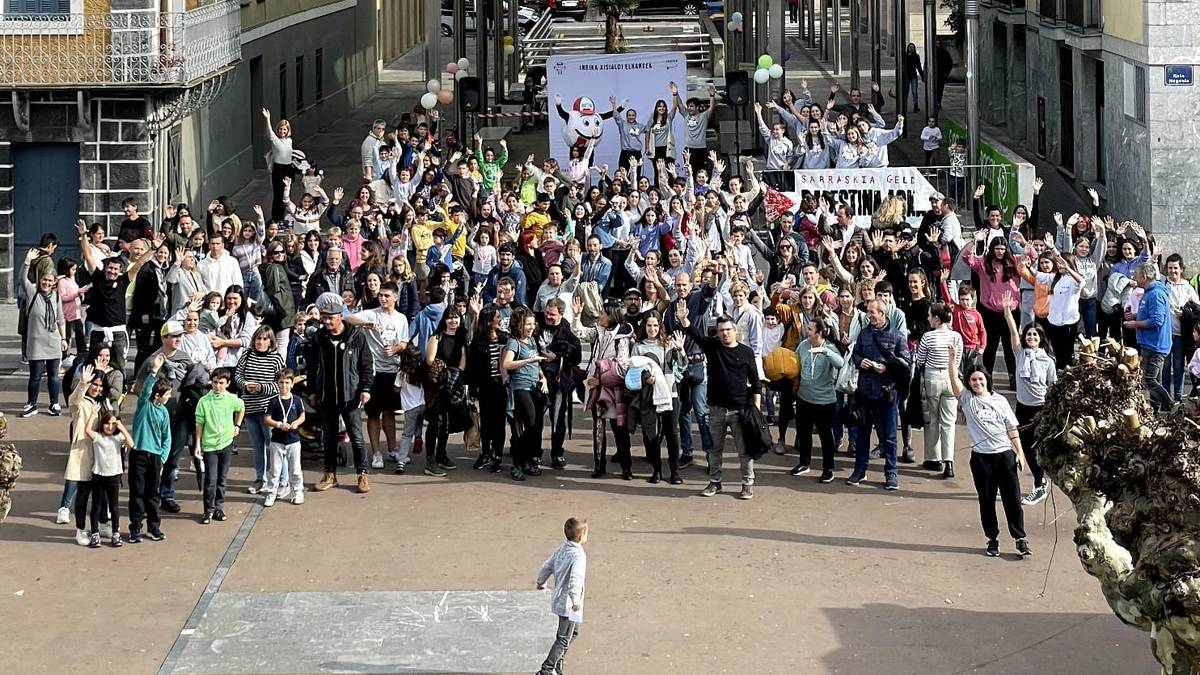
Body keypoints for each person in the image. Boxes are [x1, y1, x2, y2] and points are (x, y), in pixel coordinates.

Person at [947, 342, 1032, 558]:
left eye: (980, 379)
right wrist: (953, 358)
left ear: (987, 380)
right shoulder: (967, 399)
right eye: (973, 380)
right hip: (981, 459)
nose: (977, 382)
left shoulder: (1000, 401)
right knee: (987, 501)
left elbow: (1011, 428)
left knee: (1012, 499)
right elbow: (954, 382)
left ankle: (1020, 538)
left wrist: (1019, 452)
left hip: (1004, 455)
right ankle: (992, 539)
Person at [676, 303, 761, 500]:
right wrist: (683, 319)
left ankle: (747, 484)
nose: (725, 334)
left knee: (744, 451)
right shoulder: (712, 347)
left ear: (735, 331)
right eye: (721, 331)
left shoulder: (746, 352)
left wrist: (756, 409)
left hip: (740, 410)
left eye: (728, 330)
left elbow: (756, 382)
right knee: (714, 449)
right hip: (715, 409)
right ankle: (715, 482)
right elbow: (695, 334)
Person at [306, 292, 375, 493]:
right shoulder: (318, 338)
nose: (327, 321)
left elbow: (366, 365)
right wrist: (312, 390)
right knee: (328, 437)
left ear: (340, 316)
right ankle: (329, 474)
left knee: (356, 436)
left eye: (331, 317)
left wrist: (366, 388)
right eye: (324, 317)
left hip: (351, 395)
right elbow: (312, 367)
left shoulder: (357, 336)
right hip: (327, 396)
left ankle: (362, 474)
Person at [847, 299, 910, 491]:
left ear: (883, 313)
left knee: (890, 436)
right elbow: (855, 354)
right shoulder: (865, 334)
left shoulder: (897, 336)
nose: (869, 315)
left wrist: (887, 366)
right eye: (868, 312)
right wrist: (860, 362)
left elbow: (906, 361)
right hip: (865, 392)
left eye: (872, 312)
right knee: (862, 434)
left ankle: (891, 473)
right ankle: (860, 470)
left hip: (887, 393)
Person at [345, 281, 409, 469]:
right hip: (373, 372)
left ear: (395, 297)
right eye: (381, 295)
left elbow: (404, 343)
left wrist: (396, 349)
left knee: (389, 412)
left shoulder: (401, 318)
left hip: (392, 371)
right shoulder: (372, 313)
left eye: (387, 296)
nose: (383, 298)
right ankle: (376, 453)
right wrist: (366, 323)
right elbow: (347, 318)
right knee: (373, 414)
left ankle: (392, 449)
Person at [234, 326, 286, 494]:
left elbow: (282, 384)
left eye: (265, 339)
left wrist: (262, 387)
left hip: (268, 410)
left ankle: (282, 481)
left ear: (271, 341)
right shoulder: (247, 355)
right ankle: (260, 479)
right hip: (250, 408)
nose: (261, 342)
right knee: (257, 447)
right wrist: (245, 385)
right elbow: (238, 376)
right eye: (258, 339)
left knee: (275, 446)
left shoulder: (276, 359)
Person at [914, 303, 963, 478]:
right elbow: (957, 360)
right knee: (949, 422)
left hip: (932, 377)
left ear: (936, 318)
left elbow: (920, 360)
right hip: (951, 378)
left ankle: (933, 458)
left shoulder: (928, 336)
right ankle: (949, 461)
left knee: (933, 419)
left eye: (929, 315)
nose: (928, 318)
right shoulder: (956, 337)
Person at [535, 517, 589, 675]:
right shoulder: (579, 556)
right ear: (581, 536)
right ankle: (547, 669)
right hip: (569, 604)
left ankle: (557, 668)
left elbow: (547, 565)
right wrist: (575, 600)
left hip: (560, 599)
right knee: (564, 638)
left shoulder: (562, 549)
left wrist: (541, 582)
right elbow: (576, 579)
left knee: (573, 633)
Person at [128, 355, 172, 544]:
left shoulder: (164, 412)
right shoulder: (144, 405)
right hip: (138, 454)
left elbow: (166, 438)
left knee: (153, 494)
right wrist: (153, 371)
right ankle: (135, 527)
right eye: (167, 394)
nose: (169, 397)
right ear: (157, 395)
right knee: (137, 493)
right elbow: (145, 390)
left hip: (154, 457)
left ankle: (154, 527)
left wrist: (162, 458)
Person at [794, 321, 845, 483]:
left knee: (825, 435)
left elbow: (840, 363)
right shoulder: (803, 345)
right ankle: (804, 463)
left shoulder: (829, 348)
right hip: (804, 397)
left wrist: (825, 352)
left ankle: (828, 468)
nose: (806, 331)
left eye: (810, 329)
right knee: (803, 432)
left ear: (819, 332)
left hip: (824, 401)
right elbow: (795, 363)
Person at [19, 248, 67, 417]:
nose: (46, 283)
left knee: (54, 376)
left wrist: (64, 338)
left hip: (53, 340)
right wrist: (27, 262)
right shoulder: (32, 292)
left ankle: (54, 404)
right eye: (44, 280)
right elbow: (22, 279)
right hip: (36, 342)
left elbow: (61, 318)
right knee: (35, 376)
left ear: (54, 282)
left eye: (49, 281)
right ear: (40, 280)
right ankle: (31, 404)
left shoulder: (56, 296)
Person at [193, 368, 245, 524]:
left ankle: (218, 507)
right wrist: (197, 444)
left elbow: (241, 407)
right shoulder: (204, 401)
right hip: (210, 445)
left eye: (221, 383)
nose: (217, 386)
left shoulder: (231, 398)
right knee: (210, 479)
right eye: (215, 382)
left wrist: (237, 425)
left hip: (226, 443)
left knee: (222, 478)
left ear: (227, 383)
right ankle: (208, 510)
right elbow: (199, 423)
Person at [505, 306, 549, 481]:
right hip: (520, 387)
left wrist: (543, 378)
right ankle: (517, 463)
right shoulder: (513, 342)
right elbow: (507, 364)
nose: (531, 327)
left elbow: (537, 364)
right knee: (528, 424)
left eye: (532, 323)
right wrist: (528, 360)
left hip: (534, 386)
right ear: (519, 325)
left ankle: (527, 460)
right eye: (527, 324)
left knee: (536, 426)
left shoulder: (531, 341)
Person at [423, 307, 469, 477]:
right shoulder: (436, 337)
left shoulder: (461, 338)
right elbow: (429, 360)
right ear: (444, 320)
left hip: (453, 384)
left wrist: (456, 375)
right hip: (436, 386)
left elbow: (463, 361)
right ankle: (430, 460)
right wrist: (444, 372)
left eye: (456, 317)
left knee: (446, 423)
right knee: (435, 423)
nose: (453, 321)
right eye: (449, 318)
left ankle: (441, 454)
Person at [1124, 261, 1175, 412]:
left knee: (1149, 380)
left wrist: (1135, 324)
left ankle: (1171, 407)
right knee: (1154, 379)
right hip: (1150, 343)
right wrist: (1134, 315)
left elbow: (1157, 320)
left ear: (1144, 277)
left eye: (1136, 276)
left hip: (1156, 344)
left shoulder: (1156, 294)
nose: (1133, 278)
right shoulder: (1149, 292)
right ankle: (1156, 410)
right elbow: (1151, 313)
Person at [84, 412, 132, 548]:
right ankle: (95, 533)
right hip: (99, 475)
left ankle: (115, 533)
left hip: (114, 476)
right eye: (107, 423)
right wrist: (93, 414)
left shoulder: (118, 437)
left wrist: (122, 427)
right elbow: (87, 430)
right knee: (96, 505)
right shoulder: (98, 437)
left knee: (114, 506)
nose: (110, 426)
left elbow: (131, 444)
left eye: (113, 424)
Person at [263, 369, 306, 507]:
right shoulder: (274, 401)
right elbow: (267, 419)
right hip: (277, 440)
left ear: (292, 384)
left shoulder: (297, 400)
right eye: (281, 382)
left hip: (293, 440)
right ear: (277, 384)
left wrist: (296, 423)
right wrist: (278, 424)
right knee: (274, 470)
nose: (284, 386)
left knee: (295, 469)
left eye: (287, 382)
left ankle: (298, 492)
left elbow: (302, 416)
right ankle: (271, 493)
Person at [902, 43, 925, 112]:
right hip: (906, 76)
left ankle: (915, 106)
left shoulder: (916, 56)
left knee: (914, 91)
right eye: (910, 47)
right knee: (906, 92)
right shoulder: (905, 56)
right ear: (908, 48)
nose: (911, 48)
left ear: (914, 48)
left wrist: (922, 76)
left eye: (912, 47)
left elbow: (919, 67)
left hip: (913, 76)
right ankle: (904, 106)